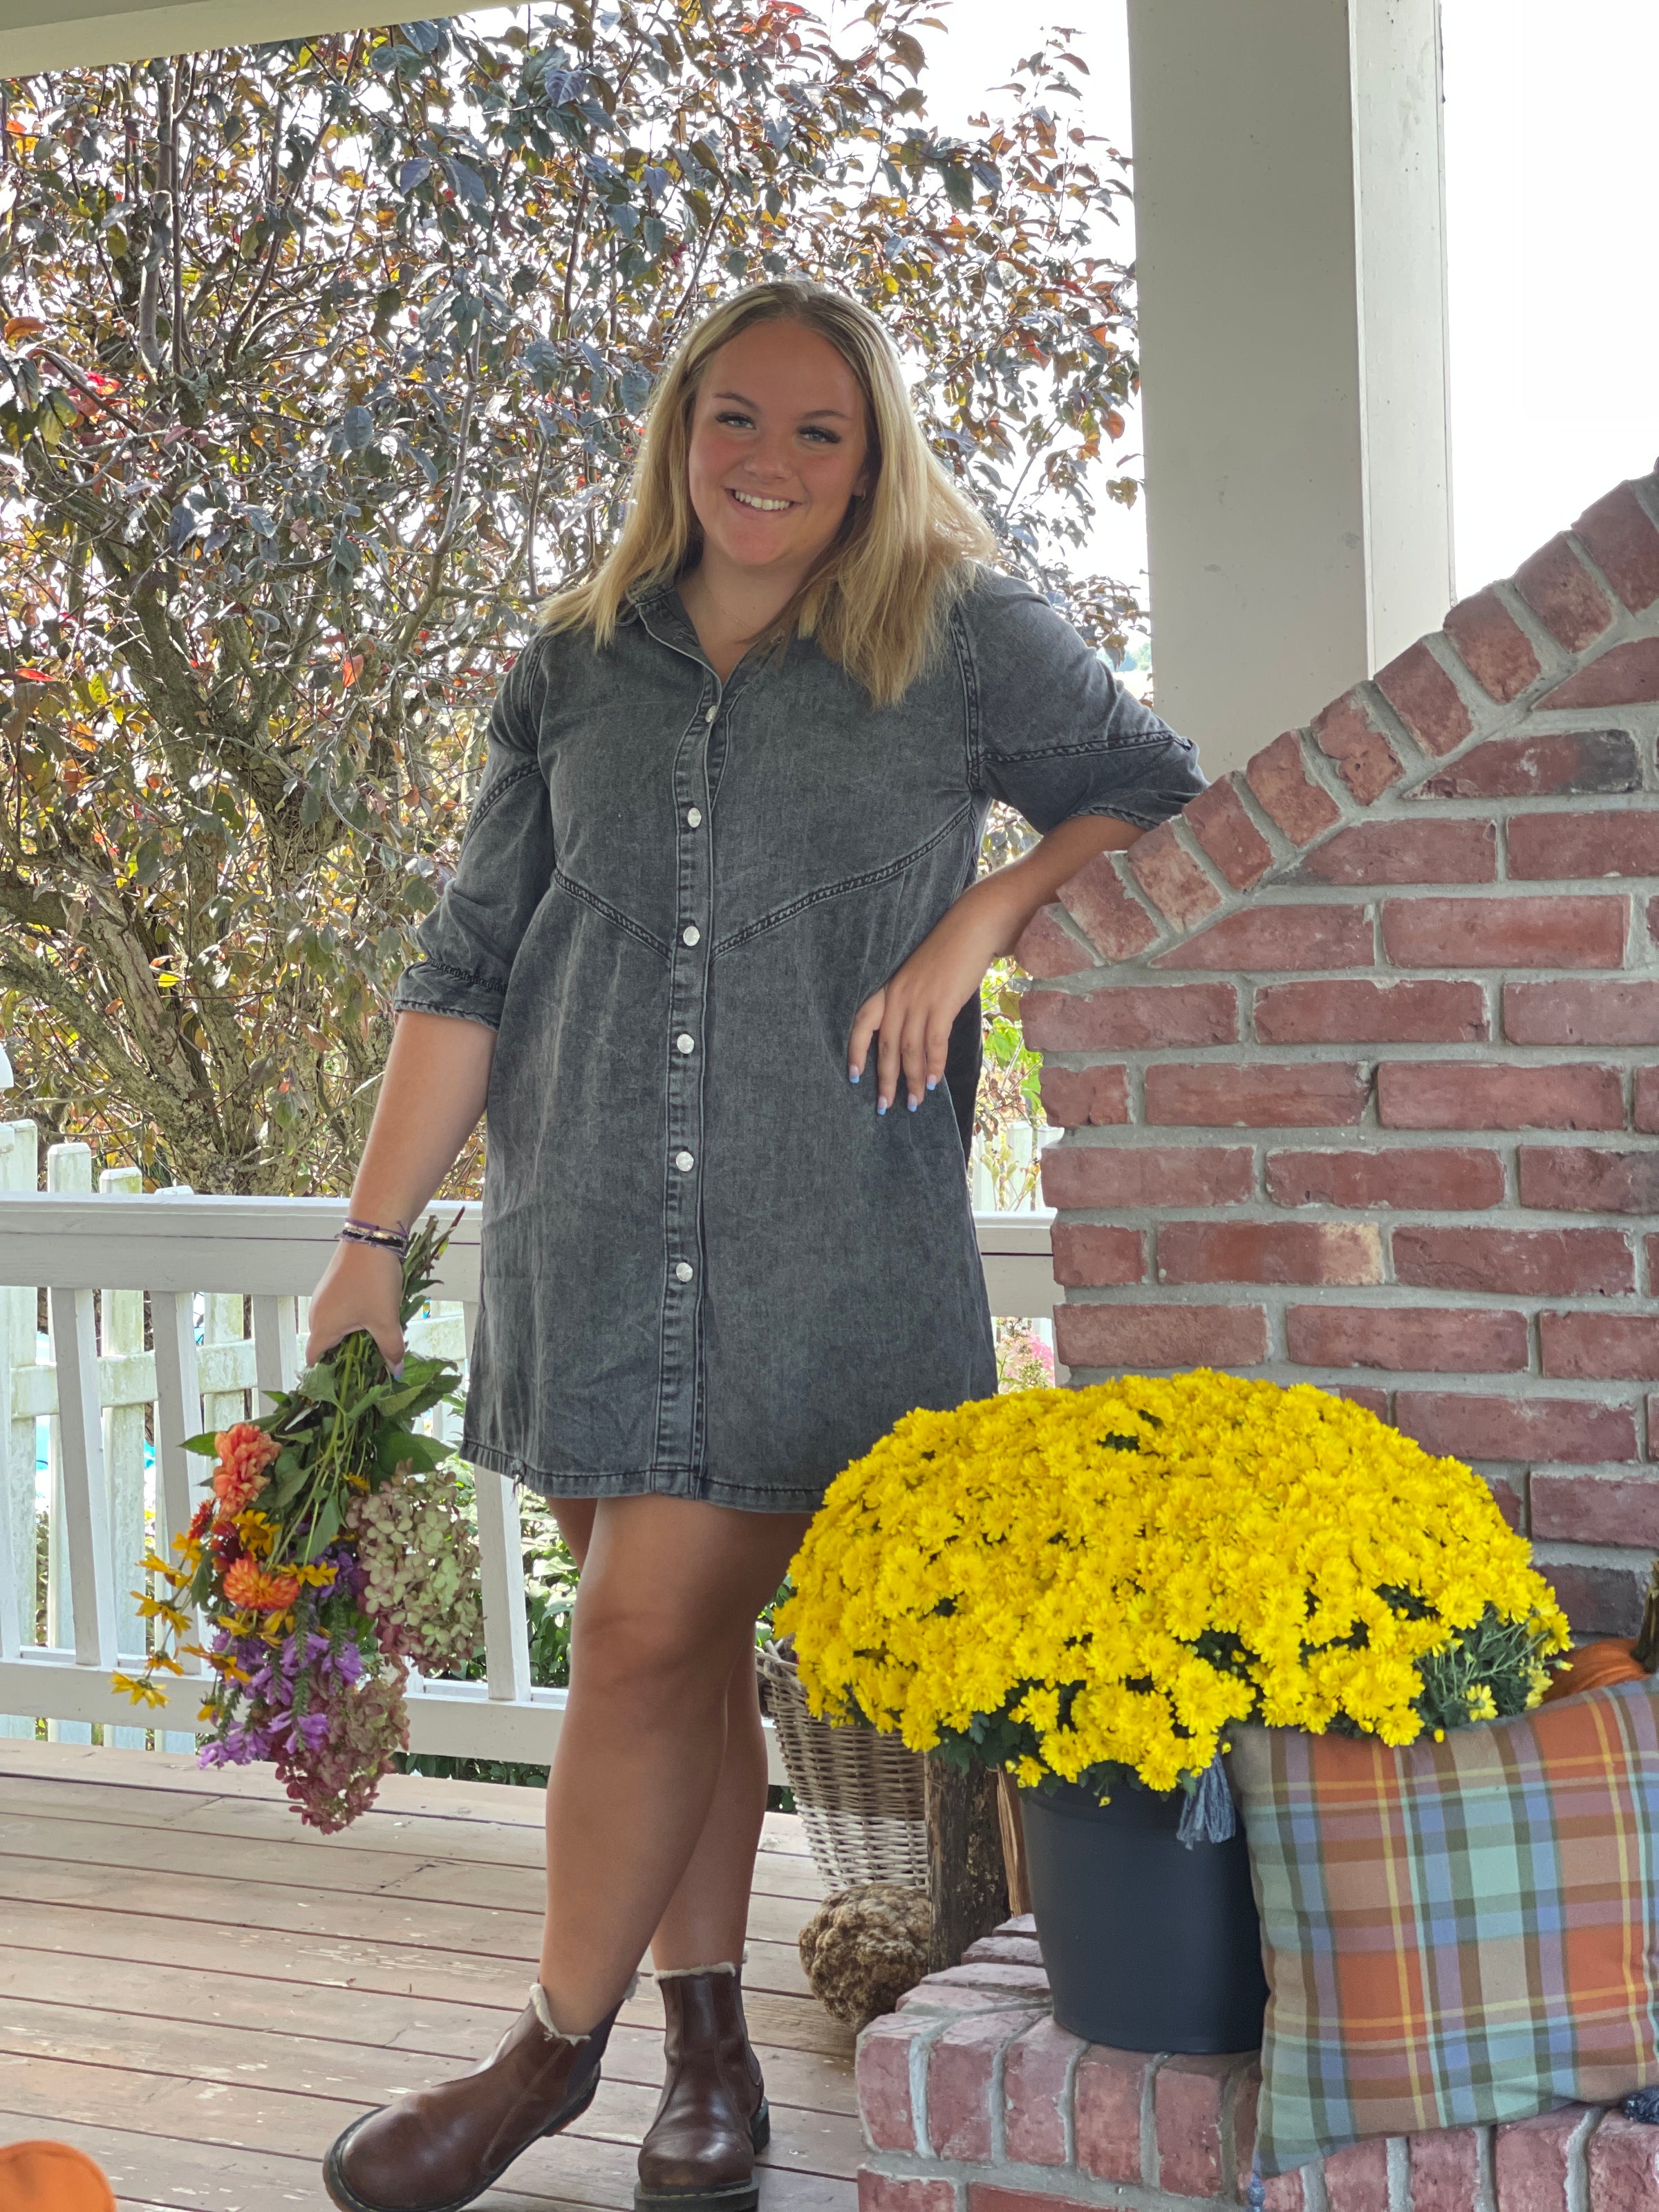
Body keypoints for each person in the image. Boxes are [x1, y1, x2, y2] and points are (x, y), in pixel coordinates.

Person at [310, 277, 1204, 2212]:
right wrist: (371, 1239)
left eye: (819, 428)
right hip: (586, 1226)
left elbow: (1154, 789)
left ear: (871, 458)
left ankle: (543, 2057)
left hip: (825, 1244)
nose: (770, 460)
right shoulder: (573, 665)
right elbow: (469, 966)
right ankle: (707, 2056)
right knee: (677, 1658)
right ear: (680, 432)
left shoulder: (960, 634)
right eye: (735, 417)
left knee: (638, 1637)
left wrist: (976, 923)